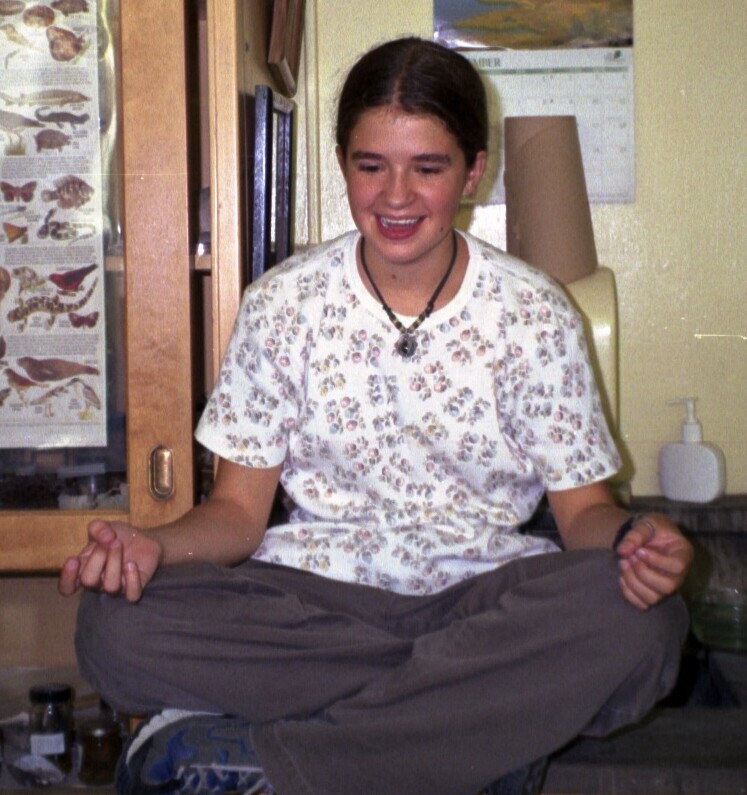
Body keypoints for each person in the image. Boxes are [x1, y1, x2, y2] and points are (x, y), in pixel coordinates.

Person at [59, 37, 693, 795]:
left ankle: (286, 761)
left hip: (479, 602)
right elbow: (236, 515)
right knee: (115, 624)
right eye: (371, 166)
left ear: (473, 171)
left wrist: (632, 539)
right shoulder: (282, 304)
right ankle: (477, 728)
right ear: (341, 163)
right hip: (313, 606)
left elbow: (583, 513)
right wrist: (153, 547)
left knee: (643, 622)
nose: (396, 197)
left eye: (427, 168)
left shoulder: (533, 314)